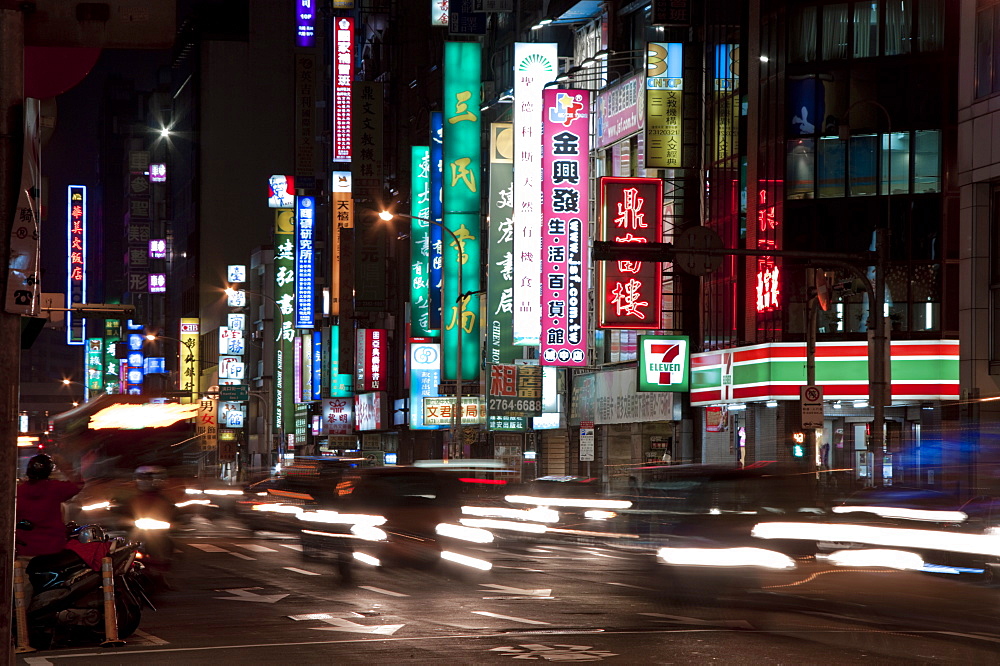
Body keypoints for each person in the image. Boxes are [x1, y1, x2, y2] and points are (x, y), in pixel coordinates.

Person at [15, 453, 84, 558]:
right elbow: (78, 483)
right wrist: (63, 464)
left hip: (25, 549)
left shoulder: (18, 491)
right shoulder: (55, 489)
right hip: (53, 549)